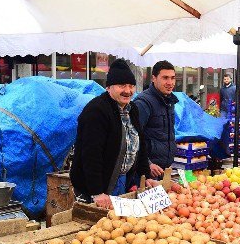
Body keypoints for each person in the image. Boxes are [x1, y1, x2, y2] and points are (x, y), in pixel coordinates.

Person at [70, 59, 155, 208]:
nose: (128, 91)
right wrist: (97, 192)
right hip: (96, 186)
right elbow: (91, 154)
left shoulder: (132, 109)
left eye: (131, 86)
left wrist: (145, 176)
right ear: (108, 87)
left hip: (120, 180)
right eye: (122, 86)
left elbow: (139, 146)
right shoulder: (97, 110)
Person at [133, 60, 179, 179]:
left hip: (163, 169)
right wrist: (147, 164)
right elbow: (132, 137)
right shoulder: (143, 103)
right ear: (154, 78)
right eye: (165, 78)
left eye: (172, 78)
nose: (170, 82)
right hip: (146, 172)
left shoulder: (169, 101)